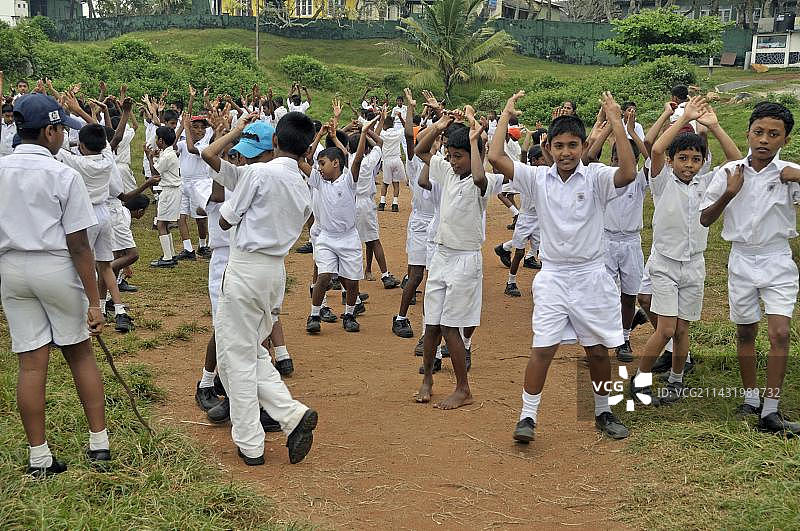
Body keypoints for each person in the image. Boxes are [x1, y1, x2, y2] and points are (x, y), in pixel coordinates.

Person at [489, 90, 636, 443]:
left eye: (573, 145)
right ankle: (527, 416)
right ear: (548, 149)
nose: (566, 152)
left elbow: (629, 172)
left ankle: (603, 410)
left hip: (590, 275)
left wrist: (616, 121)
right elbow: (495, 156)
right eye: (559, 146)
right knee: (543, 347)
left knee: (598, 349)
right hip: (553, 276)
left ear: (583, 146)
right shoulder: (537, 179)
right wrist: (506, 115)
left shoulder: (597, 177)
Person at [0, 93, 109, 477]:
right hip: (55, 266)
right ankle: (99, 444)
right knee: (79, 353)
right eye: (61, 128)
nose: (64, 134)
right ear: (49, 131)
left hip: (12, 268)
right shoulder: (63, 174)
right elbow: (79, 244)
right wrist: (96, 302)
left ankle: (39, 457)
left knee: (31, 363)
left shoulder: (0, 169)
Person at [215, 111, 318, 466]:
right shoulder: (303, 185)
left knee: (237, 357)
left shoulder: (258, 173)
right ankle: (290, 415)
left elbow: (226, 218)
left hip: (246, 266)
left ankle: (251, 442)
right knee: (252, 351)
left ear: (275, 142)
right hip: (275, 272)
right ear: (307, 150)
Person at [630, 96, 741, 406]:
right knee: (665, 328)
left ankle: (677, 381)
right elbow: (654, 148)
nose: (689, 165)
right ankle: (640, 380)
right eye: (683, 158)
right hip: (664, 263)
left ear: (703, 162)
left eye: (695, 159)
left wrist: (715, 127)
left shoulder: (705, 184)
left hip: (694, 265)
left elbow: (735, 163)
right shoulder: (662, 181)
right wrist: (683, 117)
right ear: (671, 161)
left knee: (682, 329)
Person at [700, 102, 800, 435]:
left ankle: (770, 411)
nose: (765, 140)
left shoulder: (788, 173)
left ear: (784, 139)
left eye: (774, 134)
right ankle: (750, 396)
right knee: (745, 331)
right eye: (759, 132)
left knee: (780, 334)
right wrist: (729, 194)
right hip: (741, 259)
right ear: (747, 133)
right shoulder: (729, 172)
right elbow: (705, 218)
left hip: (777, 259)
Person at [413, 101, 503, 410]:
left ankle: (463, 388)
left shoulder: (485, 181)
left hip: (465, 260)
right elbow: (420, 151)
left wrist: (476, 141)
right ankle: (427, 380)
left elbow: (478, 177)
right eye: (450, 156)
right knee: (432, 324)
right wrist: (438, 127)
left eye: (458, 156)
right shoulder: (447, 172)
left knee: (451, 326)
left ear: (471, 154)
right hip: (441, 255)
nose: (452, 162)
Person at [306, 120, 374, 335]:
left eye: (323, 163)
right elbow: (304, 159)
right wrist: (318, 136)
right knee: (324, 276)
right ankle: (314, 314)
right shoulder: (319, 182)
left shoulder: (347, 181)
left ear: (336, 163)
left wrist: (363, 133)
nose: (319, 167)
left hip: (348, 238)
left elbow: (358, 159)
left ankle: (349, 314)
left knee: (352, 282)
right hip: (326, 237)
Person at [394, 88, 434, 339]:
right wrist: (411, 106)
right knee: (416, 274)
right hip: (420, 222)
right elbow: (409, 134)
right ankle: (400, 317)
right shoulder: (414, 161)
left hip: (439, 222)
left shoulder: (442, 160)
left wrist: (438, 115)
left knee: (435, 278)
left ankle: (429, 328)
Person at [379, 110, 406, 212]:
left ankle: (382, 203)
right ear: (393, 124)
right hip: (397, 159)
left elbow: (378, 129)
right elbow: (405, 127)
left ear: (385, 125)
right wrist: (401, 117)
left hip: (387, 160)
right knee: (396, 183)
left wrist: (382, 117)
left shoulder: (383, 134)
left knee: (385, 183)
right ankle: (395, 204)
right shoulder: (398, 133)